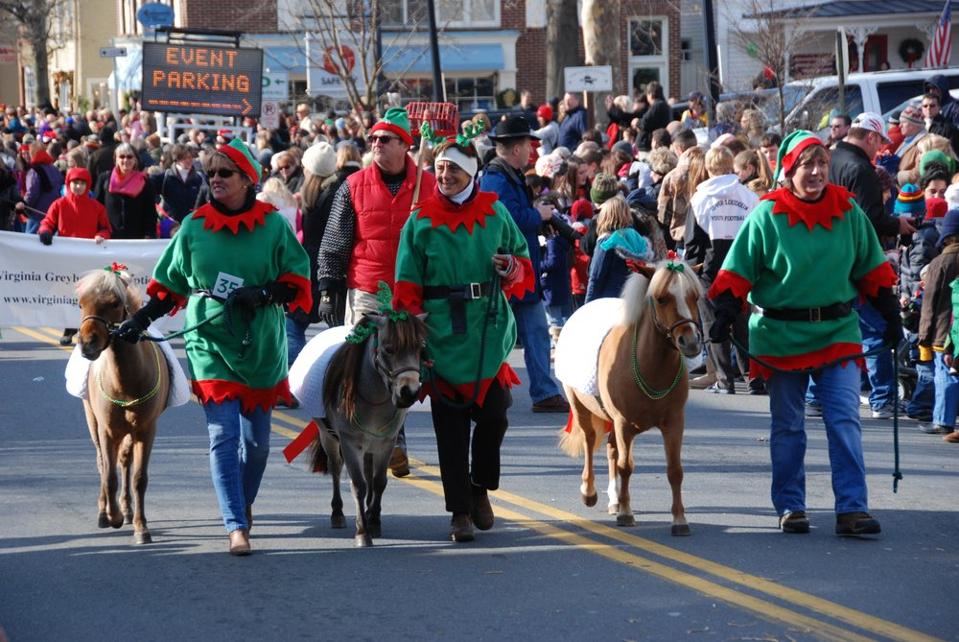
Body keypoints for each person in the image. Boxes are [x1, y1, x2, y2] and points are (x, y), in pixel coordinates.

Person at [113, 139, 311, 555]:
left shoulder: (273, 225)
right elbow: (169, 286)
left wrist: (263, 293)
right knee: (222, 434)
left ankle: (242, 502)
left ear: (247, 180)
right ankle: (235, 524)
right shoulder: (194, 227)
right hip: (209, 341)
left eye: (226, 173)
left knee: (256, 446)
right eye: (212, 173)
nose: (216, 179)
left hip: (260, 342)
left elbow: (296, 276)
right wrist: (140, 320)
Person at [708, 130, 899, 536]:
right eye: (807, 164)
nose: (815, 171)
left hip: (837, 331)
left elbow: (871, 267)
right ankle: (791, 505)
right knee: (789, 425)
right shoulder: (766, 214)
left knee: (845, 419)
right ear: (789, 169)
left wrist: (890, 314)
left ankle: (852, 508)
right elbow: (738, 269)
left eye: (822, 164)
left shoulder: (847, 210)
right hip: (781, 334)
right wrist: (725, 311)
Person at [393, 138, 534, 542]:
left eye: (453, 169)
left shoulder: (495, 212)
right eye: (439, 169)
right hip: (440, 332)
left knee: (495, 415)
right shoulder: (419, 220)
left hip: (485, 330)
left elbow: (522, 260)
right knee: (450, 428)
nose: (445, 176)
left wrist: (509, 266)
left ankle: (479, 487)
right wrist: (414, 335)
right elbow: (406, 283)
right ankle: (459, 512)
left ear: (471, 173)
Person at [317, 106, 435, 475]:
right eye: (373, 140)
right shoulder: (352, 186)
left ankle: (395, 437)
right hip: (368, 288)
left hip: (414, 289)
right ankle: (355, 429)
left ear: (405, 145)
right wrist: (326, 287)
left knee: (407, 365)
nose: (376, 145)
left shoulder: (429, 186)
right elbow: (335, 241)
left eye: (385, 140)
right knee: (365, 364)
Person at [480, 115, 570, 413]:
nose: (532, 151)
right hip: (510, 271)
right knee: (522, 335)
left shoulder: (503, 175)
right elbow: (507, 220)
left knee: (524, 334)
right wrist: (539, 217)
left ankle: (538, 392)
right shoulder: (497, 178)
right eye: (528, 146)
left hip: (516, 270)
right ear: (516, 148)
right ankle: (540, 392)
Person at [829, 112, 913, 418]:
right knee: (876, 330)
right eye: (880, 142)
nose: (881, 150)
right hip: (857, 262)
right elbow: (868, 219)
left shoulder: (832, 158)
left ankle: (814, 396)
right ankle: (883, 399)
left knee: (833, 329)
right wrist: (898, 224)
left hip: (831, 259)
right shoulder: (860, 169)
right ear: (871, 137)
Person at [687, 146, 759, 394]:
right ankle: (752, 377)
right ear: (730, 165)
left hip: (710, 269)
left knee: (712, 324)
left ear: (707, 168)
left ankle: (724, 380)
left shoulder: (699, 198)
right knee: (742, 323)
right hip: (742, 267)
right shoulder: (749, 196)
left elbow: (692, 243)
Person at [37, 167, 110, 345]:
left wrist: (102, 235)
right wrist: (45, 231)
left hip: (88, 259)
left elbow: (106, 227)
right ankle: (69, 328)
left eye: (82, 183)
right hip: (66, 260)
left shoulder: (97, 207)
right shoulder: (59, 204)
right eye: (74, 183)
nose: (78, 186)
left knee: (87, 295)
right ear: (68, 184)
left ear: (88, 186)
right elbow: (48, 222)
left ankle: (86, 327)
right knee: (68, 294)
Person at [286, 140, 339, 365]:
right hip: (317, 269)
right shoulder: (324, 192)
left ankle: (293, 378)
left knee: (293, 325)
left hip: (320, 271)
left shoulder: (328, 195)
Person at [918, 209, 959, 441]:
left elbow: (929, 304)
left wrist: (923, 336)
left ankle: (942, 420)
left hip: (943, 332)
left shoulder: (940, 262)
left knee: (945, 374)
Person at [584, 195, 652, 302]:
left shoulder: (607, 241)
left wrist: (587, 306)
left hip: (609, 301)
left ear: (606, 216)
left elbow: (596, 277)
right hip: (634, 300)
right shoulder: (637, 237)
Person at [93, 143, 157, 239]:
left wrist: (149, 234)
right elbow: (97, 208)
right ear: (116, 159)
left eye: (129, 157)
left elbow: (150, 212)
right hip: (109, 239)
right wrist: (99, 232)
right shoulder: (105, 179)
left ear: (135, 160)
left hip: (136, 239)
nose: (126, 160)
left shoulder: (145, 182)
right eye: (122, 157)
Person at [16, 141, 62, 233]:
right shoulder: (54, 168)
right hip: (52, 214)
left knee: (30, 242)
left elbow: (32, 194)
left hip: (37, 215)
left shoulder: (34, 171)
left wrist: (23, 207)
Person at [153, 143, 205, 225]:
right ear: (177, 159)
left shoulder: (199, 178)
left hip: (191, 224)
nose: (189, 160)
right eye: (184, 158)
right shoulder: (165, 177)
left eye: (190, 157)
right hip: (169, 224)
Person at [637, 81, 670, 151]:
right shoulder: (664, 105)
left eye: (647, 94)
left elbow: (645, 123)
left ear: (651, 94)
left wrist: (637, 122)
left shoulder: (657, 105)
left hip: (651, 146)